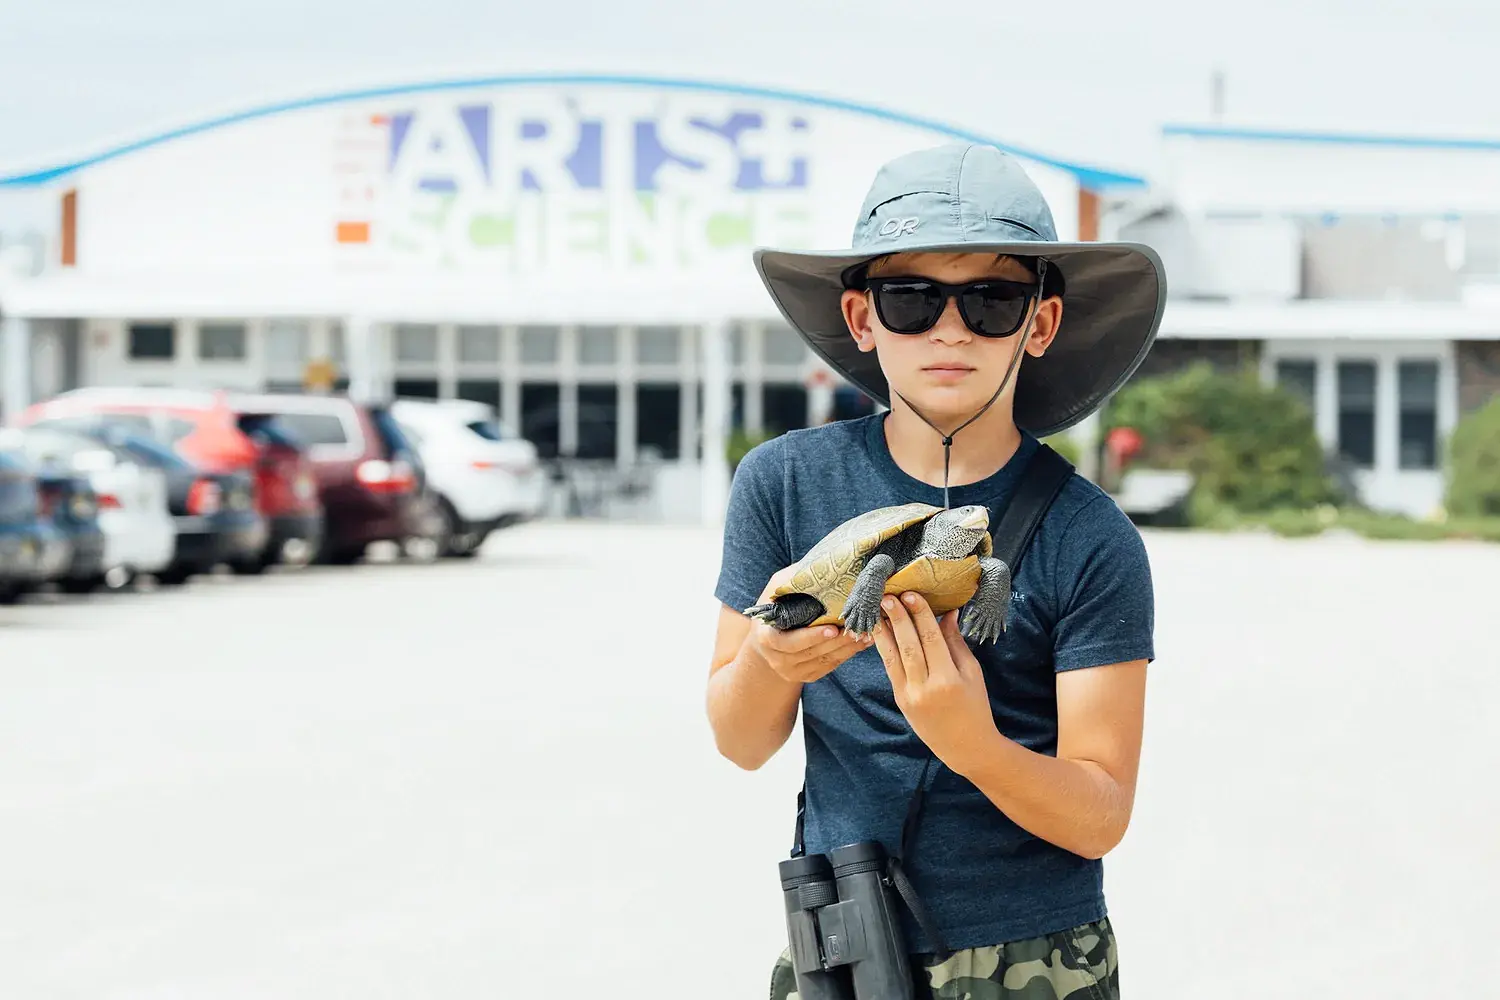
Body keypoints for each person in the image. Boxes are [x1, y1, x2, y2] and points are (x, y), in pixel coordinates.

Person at [705, 142, 1167, 999]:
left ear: (1039, 323)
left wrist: (971, 743)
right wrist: (771, 663)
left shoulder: (1091, 535)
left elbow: (1101, 816)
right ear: (861, 317)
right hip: (842, 934)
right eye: (911, 298)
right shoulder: (782, 482)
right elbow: (738, 740)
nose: (950, 328)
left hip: (1038, 950)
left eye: (991, 299)